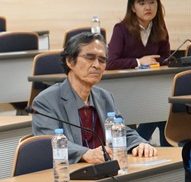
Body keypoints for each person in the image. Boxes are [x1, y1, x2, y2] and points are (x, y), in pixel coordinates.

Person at [31, 32, 158, 163]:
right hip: (70, 173)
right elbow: (50, 142)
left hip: (104, 169)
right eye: (90, 58)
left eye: (102, 60)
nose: (97, 65)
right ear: (69, 61)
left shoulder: (104, 97)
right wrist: (85, 153)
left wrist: (140, 144)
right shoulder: (46, 101)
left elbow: (121, 131)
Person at [107, 0, 171, 146]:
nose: (148, 7)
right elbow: (110, 62)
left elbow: (164, 58)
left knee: (162, 110)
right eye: (142, 4)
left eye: (152, 2)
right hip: (126, 89)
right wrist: (138, 62)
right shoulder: (121, 29)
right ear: (133, 8)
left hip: (151, 88)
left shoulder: (159, 28)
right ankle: (139, 142)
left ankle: (162, 151)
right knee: (156, 110)